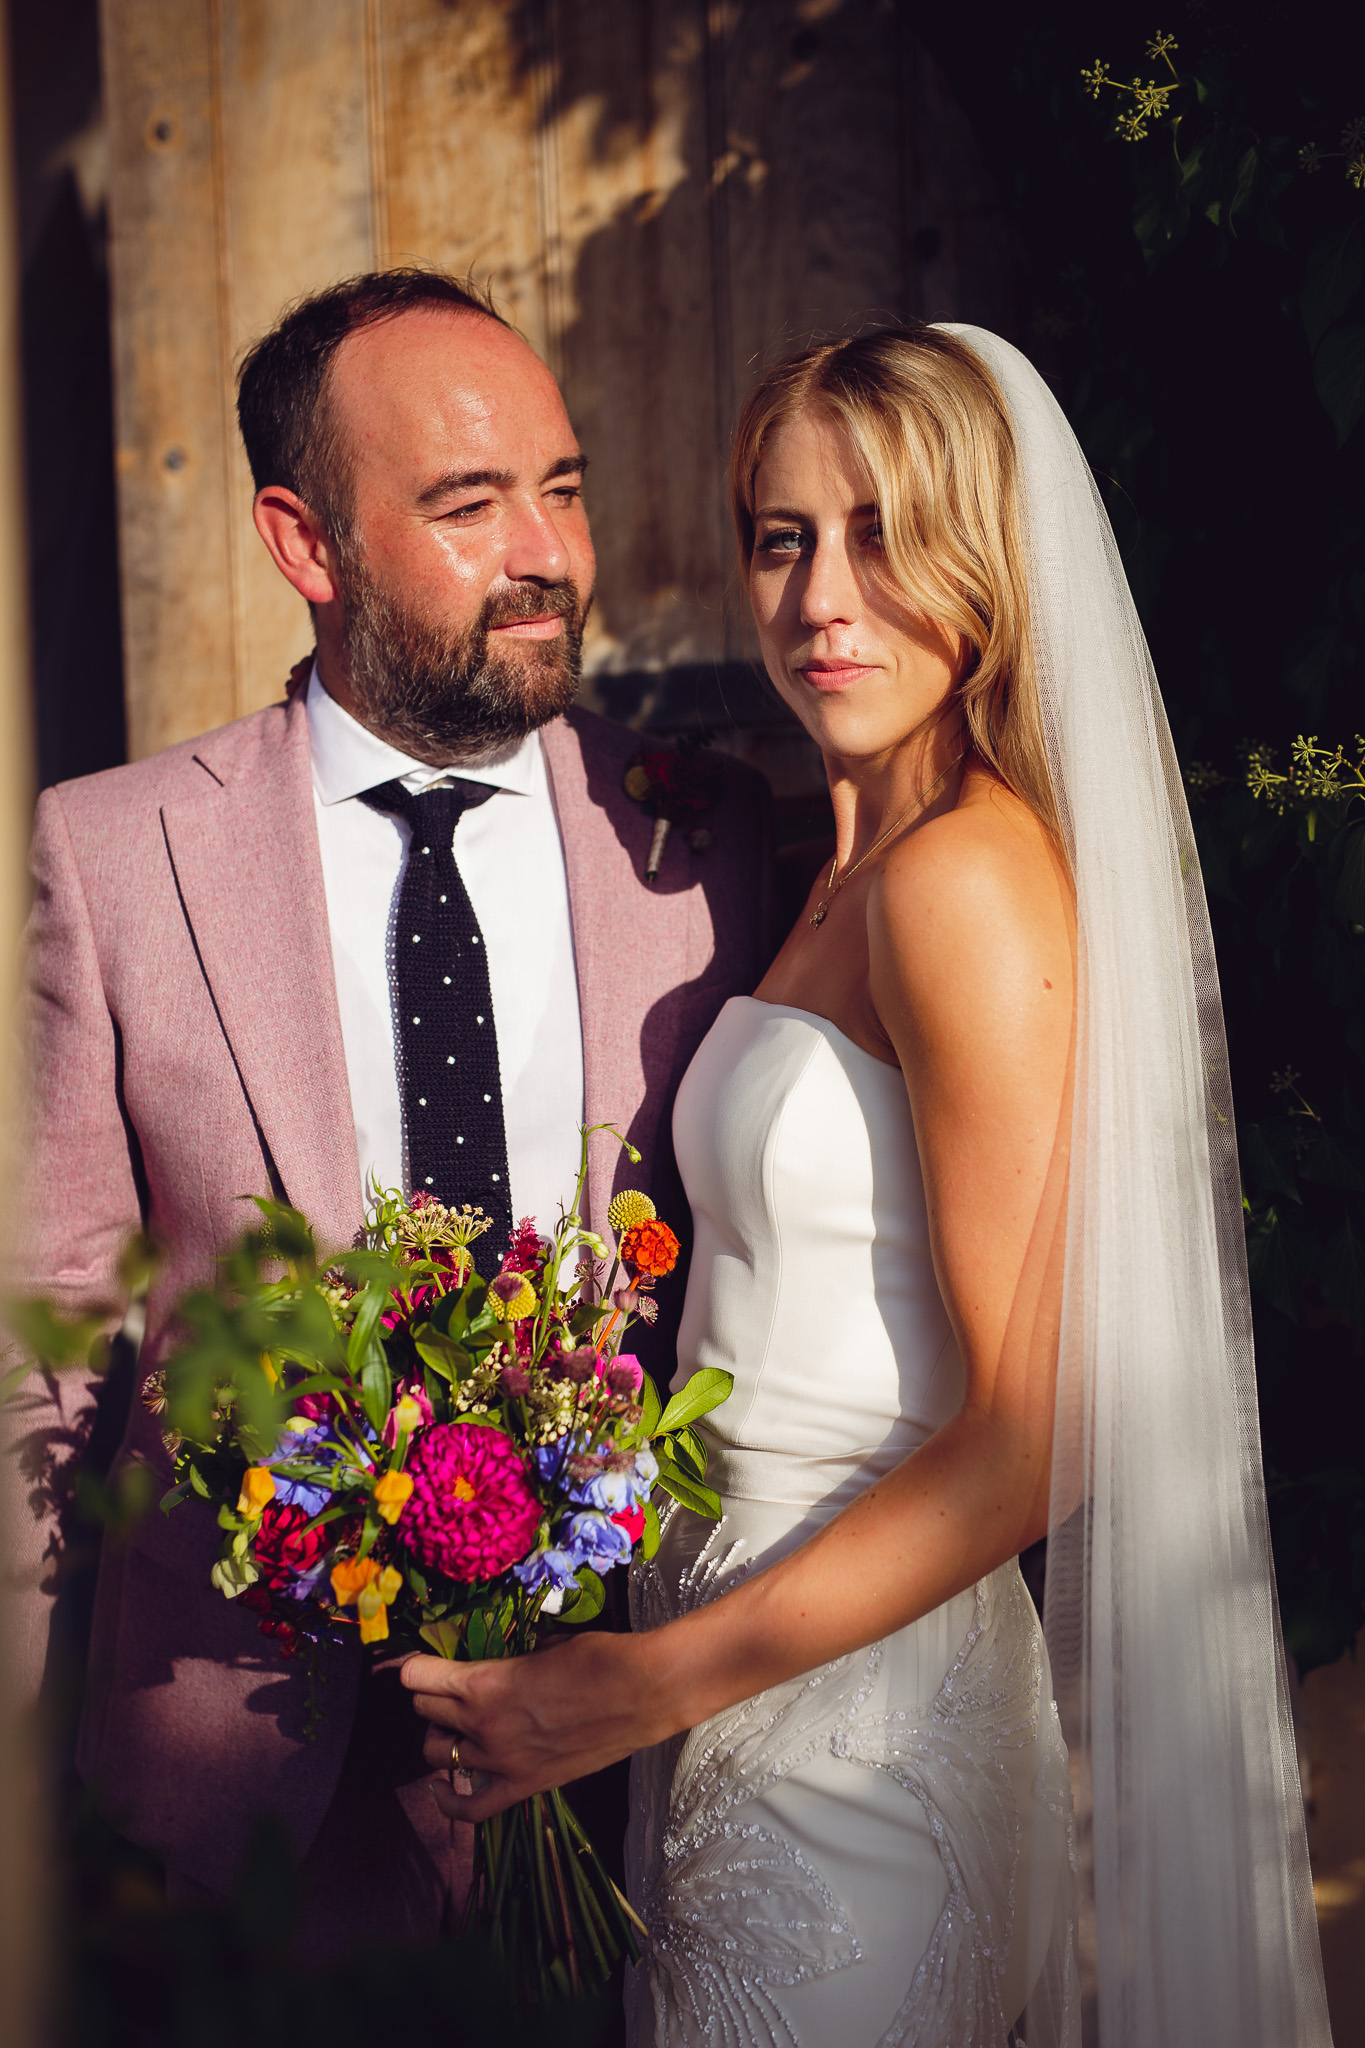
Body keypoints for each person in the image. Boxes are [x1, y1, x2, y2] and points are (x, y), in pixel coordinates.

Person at [403, 325, 1333, 2047]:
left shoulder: (961, 882)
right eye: (782, 536)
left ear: (986, 551)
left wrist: (628, 1689)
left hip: (854, 1711)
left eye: (885, 532)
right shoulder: (838, 866)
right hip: (726, 1665)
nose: (824, 596)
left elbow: (1037, 1430)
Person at [2, 268, 772, 1953]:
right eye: (467, 503)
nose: (547, 552)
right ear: (305, 543)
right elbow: (55, 1346)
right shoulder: (115, 855)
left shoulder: (710, 835)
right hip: (233, 1779)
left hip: (648, 1753)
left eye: (560, 488)